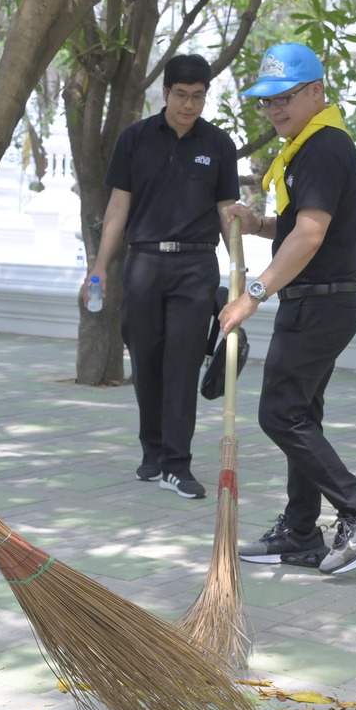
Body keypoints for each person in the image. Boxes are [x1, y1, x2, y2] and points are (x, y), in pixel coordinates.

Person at [217, 42, 356, 575]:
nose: (274, 110)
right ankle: (300, 533)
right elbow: (303, 225)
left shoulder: (322, 147)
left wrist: (253, 293)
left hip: (322, 302)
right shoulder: (309, 146)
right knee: (301, 414)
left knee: (280, 413)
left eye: (284, 98)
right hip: (318, 300)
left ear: (316, 91)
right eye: (266, 102)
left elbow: (314, 234)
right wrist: (258, 225)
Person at [83, 54, 239, 498]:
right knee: (146, 360)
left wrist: (240, 276)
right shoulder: (135, 139)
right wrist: (99, 268)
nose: (189, 105)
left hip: (196, 267)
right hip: (145, 263)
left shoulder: (220, 145)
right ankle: (152, 453)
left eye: (198, 96)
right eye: (182, 95)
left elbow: (226, 211)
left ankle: (177, 463)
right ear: (166, 93)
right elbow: (118, 208)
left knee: (183, 365)